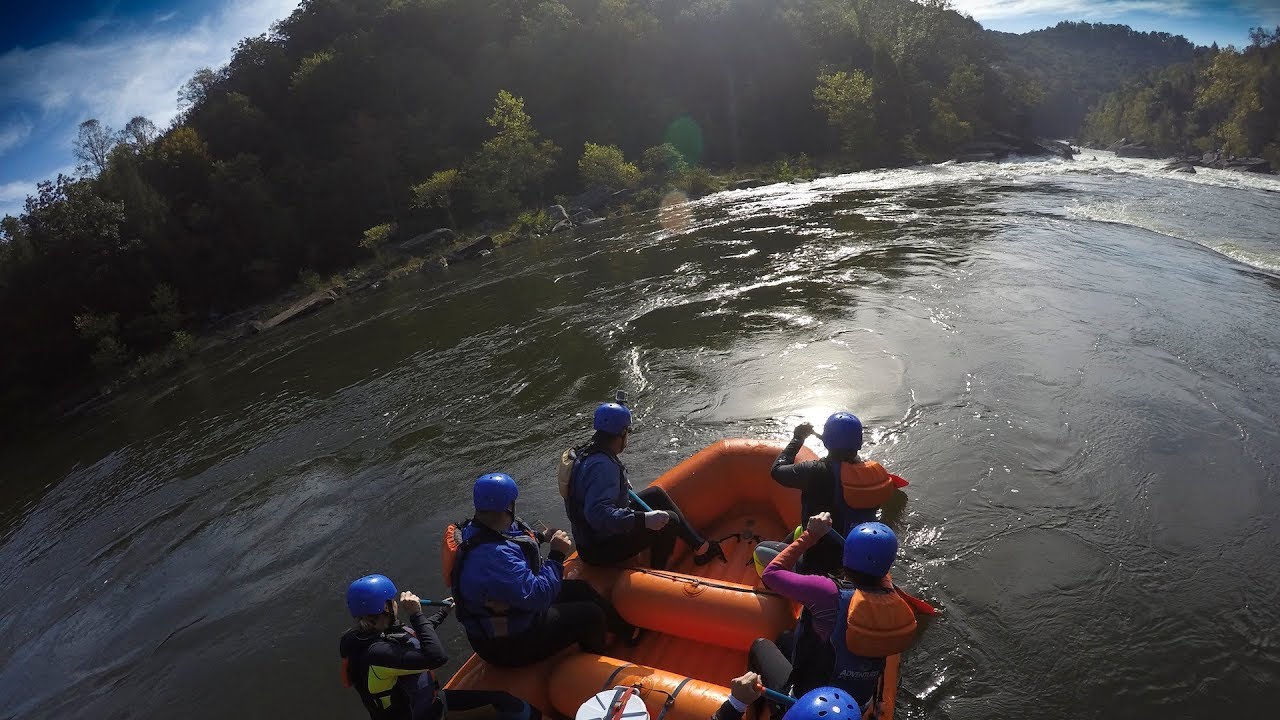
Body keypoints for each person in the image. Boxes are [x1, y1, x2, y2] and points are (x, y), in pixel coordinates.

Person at [452, 472, 636, 667]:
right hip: (508, 643)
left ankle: (627, 630)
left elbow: (512, 538)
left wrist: (541, 536)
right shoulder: (493, 558)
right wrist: (556, 554)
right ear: (507, 506)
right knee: (591, 614)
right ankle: (597, 661)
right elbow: (539, 597)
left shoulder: (480, 525)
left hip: (517, 609)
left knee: (581, 590)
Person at [749, 513, 917, 710]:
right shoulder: (892, 596)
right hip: (860, 703)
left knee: (759, 646)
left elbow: (771, 574)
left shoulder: (827, 593)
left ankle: (765, 709)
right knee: (786, 638)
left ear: (847, 555)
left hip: (813, 701)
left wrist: (810, 535)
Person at [339, 574, 537, 720]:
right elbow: (436, 658)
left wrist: (442, 612)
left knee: (505, 702)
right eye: (391, 599)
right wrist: (416, 614)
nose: (396, 602)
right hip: (425, 714)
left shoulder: (371, 634)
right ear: (385, 607)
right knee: (515, 709)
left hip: (427, 704)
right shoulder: (377, 654)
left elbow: (412, 637)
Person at [564, 402, 725, 570]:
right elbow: (598, 515)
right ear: (621, 433)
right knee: (670, 521)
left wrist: (621, 486)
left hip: (593, 536)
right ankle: (658, 573)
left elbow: (589, 491)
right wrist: (643, 520)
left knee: (656, 494)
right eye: (628, 431)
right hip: (600, 548)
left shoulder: (587, 452)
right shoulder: (603, 466)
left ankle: (700, 547)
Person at [770, 413, 897, 574]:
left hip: (819, 562)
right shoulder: (875, 473)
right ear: (859, 442)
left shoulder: (815, 471)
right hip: (858, 557)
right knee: (796, 532)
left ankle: (779, 591)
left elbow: (777, 471)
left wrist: (797, 439)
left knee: (761, 552)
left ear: (825, 440)